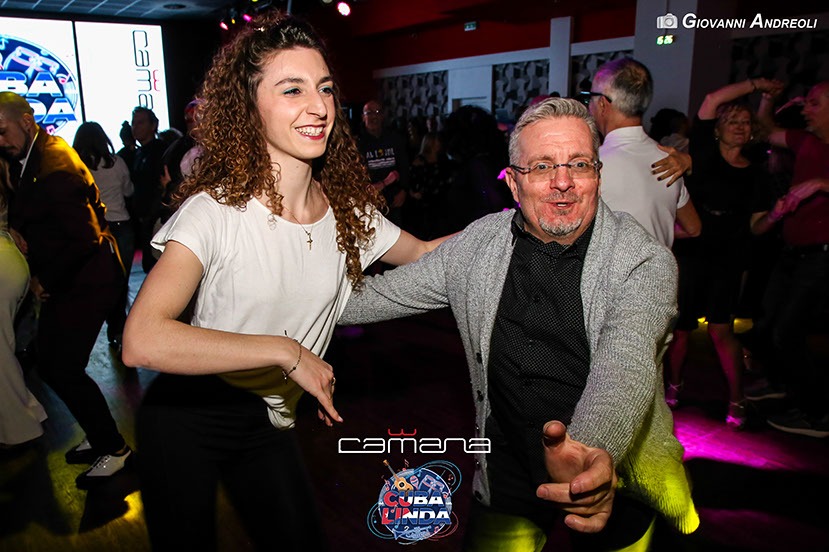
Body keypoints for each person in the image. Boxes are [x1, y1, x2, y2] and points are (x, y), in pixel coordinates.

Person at [121, 12, 448, 551]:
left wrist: (516, 223)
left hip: (267, 422)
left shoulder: (349, 213)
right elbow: (141, 339)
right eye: (292, 89)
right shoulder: (216, 211)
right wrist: (287, 351)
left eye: (325, 88)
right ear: (250, 108)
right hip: (187, 417)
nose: (319, 107)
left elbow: (430, 254)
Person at [341, 98, 699, 551]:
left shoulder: (642, 260)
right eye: (543, 166)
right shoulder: (479, 245)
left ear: (598, 176)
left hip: (610, 479)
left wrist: (586, 455)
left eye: (579, 164)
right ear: (513, 182)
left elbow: (624, 367)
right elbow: (375, 297)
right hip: (507, 473)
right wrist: (279, 305)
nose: (563, 182)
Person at [0, 92, 130, 486]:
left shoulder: (53, 165)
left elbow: (83, 240)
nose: (0, 140)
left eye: (2, 131)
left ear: (26, 121)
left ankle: (115, 449)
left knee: (60, 367)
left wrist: (43, 280)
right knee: (54, 364)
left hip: (87, 280)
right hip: (78, 277)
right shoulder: (40, 152)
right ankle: (100, 433)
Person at [665, 78, 780, 428]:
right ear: (717, 129)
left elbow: (756, 226)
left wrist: (778, 213)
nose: (740, 127)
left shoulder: (758, 174)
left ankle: (736, 398)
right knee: (681, 330)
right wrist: (757, 84)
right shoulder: (702, 155)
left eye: (745, 122)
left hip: (728, 257)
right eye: (732, 121)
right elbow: (713, 98)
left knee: (720, 329)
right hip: (691, 251)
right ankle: (674, 386)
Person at [748, 81, 829, 437]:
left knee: (787, 331)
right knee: (766, 324)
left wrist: (822, 183)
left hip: (821, 257)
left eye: (814, 103)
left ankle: (816, 414)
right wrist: (768, 100)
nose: (805, 109)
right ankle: (781, 384)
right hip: (792, 251)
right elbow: (766, 130)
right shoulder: (806, 141)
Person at [586, 58, 700, 248]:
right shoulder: (670, 160)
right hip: (662, 266)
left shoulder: (593, 164)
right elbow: (693, 228)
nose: (589, 106)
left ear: (603, 104)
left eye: (590, 98)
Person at [73, 121, 135, 347]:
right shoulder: (117, 163)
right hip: (121, 225)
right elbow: (129, 190)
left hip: (94, 229)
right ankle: (118, 329)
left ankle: (98, 328)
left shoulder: (77, 167)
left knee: (98, 282)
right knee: (120, 281)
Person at [0, 156, 47, 447]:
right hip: (8, 259)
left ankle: (21, 429)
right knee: (5, 350)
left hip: (4, 266)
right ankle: (29, 413)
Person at [358, 99, 410, 226]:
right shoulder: (357, 143)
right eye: (369, 113)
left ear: (382, 116)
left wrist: (404, 190)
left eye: (377, 112)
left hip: (394, 200)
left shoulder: (395, 139)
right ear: (363, 117)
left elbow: (404, 167)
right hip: (369, 202)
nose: (373, 117)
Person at [129, 106, 166, 273]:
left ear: (153, 125)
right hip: (144, 221)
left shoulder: (161, 151)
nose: (135, 127)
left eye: (140, 123)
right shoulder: (138, 154)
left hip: (157, 219)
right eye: (133, 123)